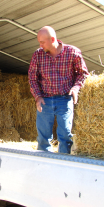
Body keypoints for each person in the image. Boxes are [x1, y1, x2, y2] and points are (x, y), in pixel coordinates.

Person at [28, 26, 90, 154]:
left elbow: (83, 74)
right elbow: (32, 78)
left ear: (52, 39)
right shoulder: (38, 55)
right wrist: (37, 96)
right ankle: (44, 163)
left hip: (64, 99)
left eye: (42, 42)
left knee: (65, 136)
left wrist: (76, 88)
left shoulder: (72, 52)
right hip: (45, 100)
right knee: (43, 137)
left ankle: (64, 162)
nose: (40, 45)